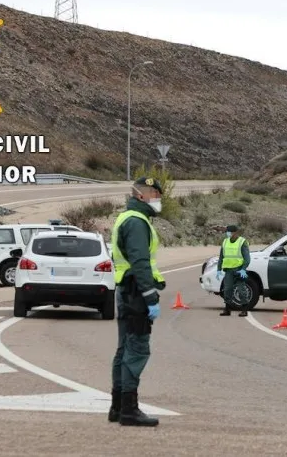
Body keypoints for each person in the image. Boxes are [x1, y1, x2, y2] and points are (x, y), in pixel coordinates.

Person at [108, 177, 167, 427]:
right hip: (136, 293)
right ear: (141, 195)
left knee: (124, 350)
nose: (158, 199)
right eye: (155, 194)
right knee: (136, 350)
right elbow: (140, 262)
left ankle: (117, 407)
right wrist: (150, 296)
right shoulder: (137, 222)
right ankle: (129, 410)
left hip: (126, 290)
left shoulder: (127, 217)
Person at [217, 224, 251, 317]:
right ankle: (227, 309)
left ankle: (244, 309)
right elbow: (221, 257)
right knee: (227, 289)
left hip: (239, 270)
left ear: (235, 233)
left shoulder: (242, 242)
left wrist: (243, 269)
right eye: (227, 232)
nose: (228, 234)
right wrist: (218, 269)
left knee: (241, 289)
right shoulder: (225, 242)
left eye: (230, 232)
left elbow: (247, 258)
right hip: (228, 270)